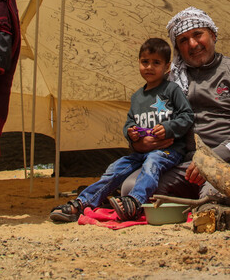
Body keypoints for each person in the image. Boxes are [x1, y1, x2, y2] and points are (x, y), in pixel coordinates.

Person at [122, 7, 230, 199]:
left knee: (216, 196)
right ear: (177, 48)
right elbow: (143, 121)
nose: (192, 44)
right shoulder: (168, 82)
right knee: (131, 189)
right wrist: (138, 145)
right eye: (183, 40)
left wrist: (211, 158)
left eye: (197, 34)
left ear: (213, 35)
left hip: (228, 161)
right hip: (181, 164)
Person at [49, 38, 193, 222]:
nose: (149, 67)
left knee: (152, 163)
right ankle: (81, 203)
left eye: (156, 63)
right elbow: (129, 122)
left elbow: (187, 115)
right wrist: (131, 134)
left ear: (167, 67)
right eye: (145, 62)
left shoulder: (172, 90)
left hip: (168, 151)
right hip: (140, 152)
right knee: (115, 169)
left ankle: (135, 201)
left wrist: (168, 127)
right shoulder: (137, 97)